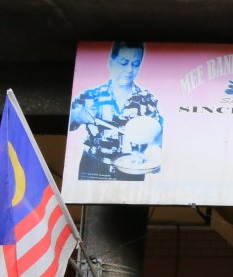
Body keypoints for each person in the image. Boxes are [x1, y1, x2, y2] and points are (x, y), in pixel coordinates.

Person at [70, 41, 164, 181]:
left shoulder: (147, 99)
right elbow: (69, 124)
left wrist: (151, 155)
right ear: (111, 62)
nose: (129, 70)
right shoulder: (90, 96)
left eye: (136, 64)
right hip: (93, 167)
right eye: (124, 62)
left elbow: (157, 137)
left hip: (132, 169)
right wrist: (76, 115)